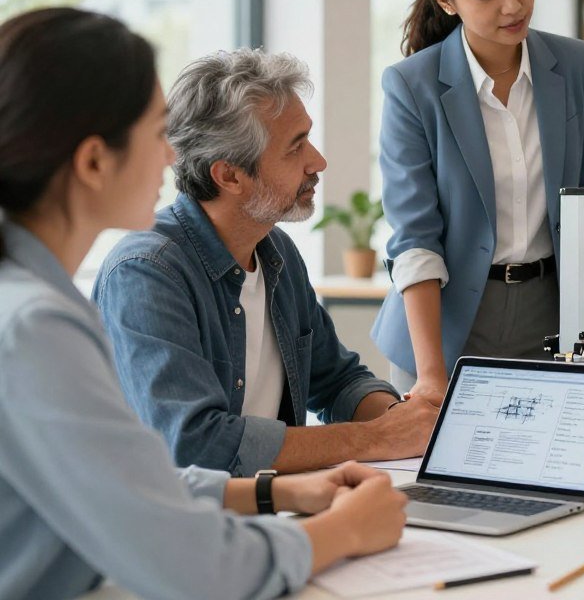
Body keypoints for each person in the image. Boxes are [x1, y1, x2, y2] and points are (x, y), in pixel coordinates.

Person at [0, 7, 407, 599]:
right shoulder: (39, 327)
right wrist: (341, 532)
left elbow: (133, 483)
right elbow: (192, 562)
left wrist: (278, 491)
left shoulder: (33, 306)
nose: (170, 158)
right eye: (154, 133)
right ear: (93, 161)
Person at [94, 49, 438, 475]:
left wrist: (406, 421)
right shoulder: (146, 272)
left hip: (273, 508)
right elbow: (195, 445)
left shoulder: (276, 253)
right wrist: (376, 438)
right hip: (184, 530)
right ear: (230, 176)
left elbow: (337, 381)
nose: (319, 162)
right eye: (296, 149)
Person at [372, 0, 584, 402]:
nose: (513, 4)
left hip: (551, 317)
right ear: (446, 1)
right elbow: (415, 239)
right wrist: (431, 372)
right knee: (432, 479)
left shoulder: (574, 66)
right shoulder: (411, 86)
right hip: (444, 323)